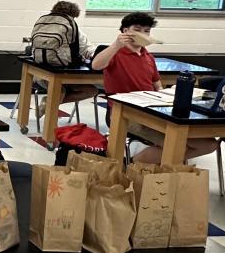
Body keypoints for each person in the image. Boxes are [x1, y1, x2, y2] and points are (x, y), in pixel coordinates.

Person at [91, 11, 214, 163]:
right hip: (125, 115)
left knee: (209, 144)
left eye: (147, 31)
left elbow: (156, 83)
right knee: (177, 146)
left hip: (151, 111)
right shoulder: (115, 53)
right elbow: (96, 65)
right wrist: (116, 45)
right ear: (125, 31)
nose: (143, 34)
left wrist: (165, 95)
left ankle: (156, 163)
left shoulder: (148, 56)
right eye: (137, 30)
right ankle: (132, 164)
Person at [29, 0, 95, 102]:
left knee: (60, 91)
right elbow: (88, 50)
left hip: (38, 72)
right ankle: (49, 104)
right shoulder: (72, 28)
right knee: (90, 91)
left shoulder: (43, 24)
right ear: (72, 16)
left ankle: (48, 103)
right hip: (63, 74)